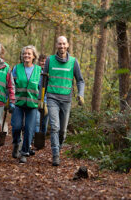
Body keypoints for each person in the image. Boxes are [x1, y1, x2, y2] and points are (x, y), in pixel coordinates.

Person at [43, 36, 85, 166]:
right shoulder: (49, 60)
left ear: (67, 45)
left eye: (64, 44)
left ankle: (58, 149)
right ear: (56, 45)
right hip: (52, 98)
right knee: (55, 127)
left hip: (66, 99)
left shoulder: (73, 61)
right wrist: (42, 99)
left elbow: (80, 80)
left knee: (63, 131)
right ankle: (55, 154)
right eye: (59, 44)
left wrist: (80, 94)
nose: (61, 46)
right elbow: (43, 80)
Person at [11, 45, 41, 163]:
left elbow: (42, 87)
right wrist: (11, 101)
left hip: (32, 104)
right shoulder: (16, 69)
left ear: (34, 56)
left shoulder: (39, 70)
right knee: (17, 126)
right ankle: (16, 144)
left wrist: (43, 102)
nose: (26, 56)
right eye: (24, 53)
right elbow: (11, 85)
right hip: (18, 103)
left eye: (29, 54)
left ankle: (24, 152)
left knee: (29, 129)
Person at [35, 54, 49, 135]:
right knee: (36, 121)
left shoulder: (50, 73)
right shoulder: (36, 72)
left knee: (44, 123)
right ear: (38, 62)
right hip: (36, 100)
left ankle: (42, 138)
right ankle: (35, 137)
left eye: (45, 61)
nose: (43, 63)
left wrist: (46, 101)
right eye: (41, 61)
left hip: (47, 101)